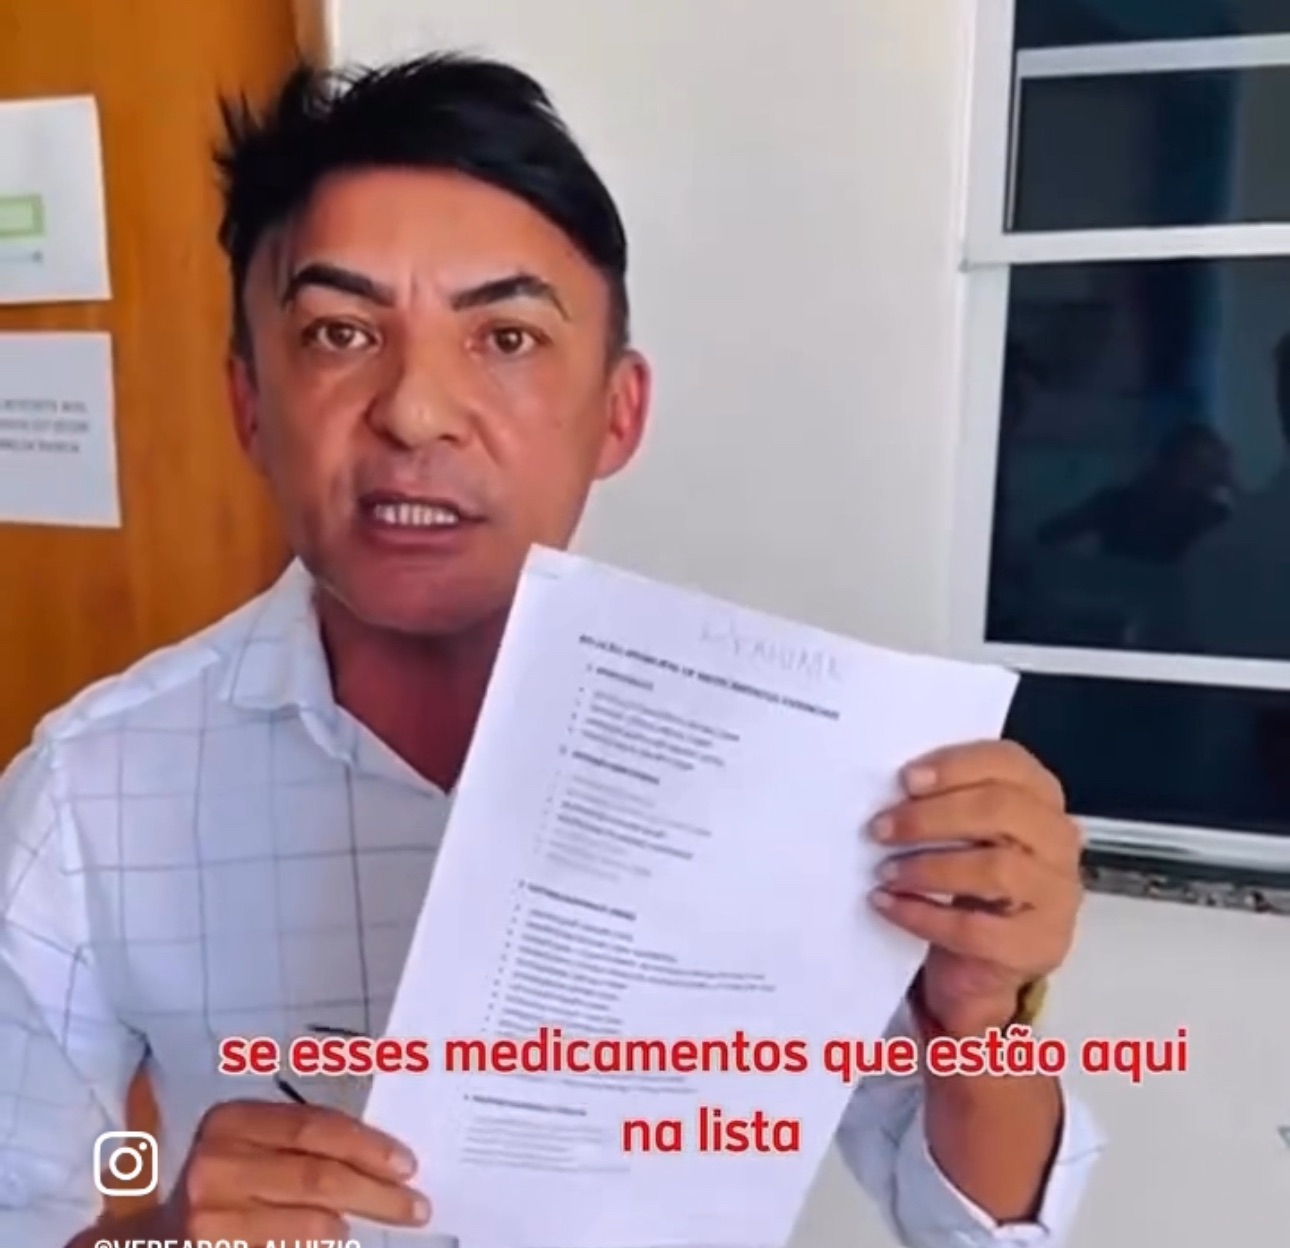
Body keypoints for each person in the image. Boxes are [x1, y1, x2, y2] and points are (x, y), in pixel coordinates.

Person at [0, 54, 1102, 1248]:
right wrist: (163, 1232)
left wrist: (980, 1016)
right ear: (250, 405)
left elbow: (977, 1233)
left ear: (619, 413)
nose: (415, 411)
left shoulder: (803, 773)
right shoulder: (92, 790)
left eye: (508, 337)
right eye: (339, 331)